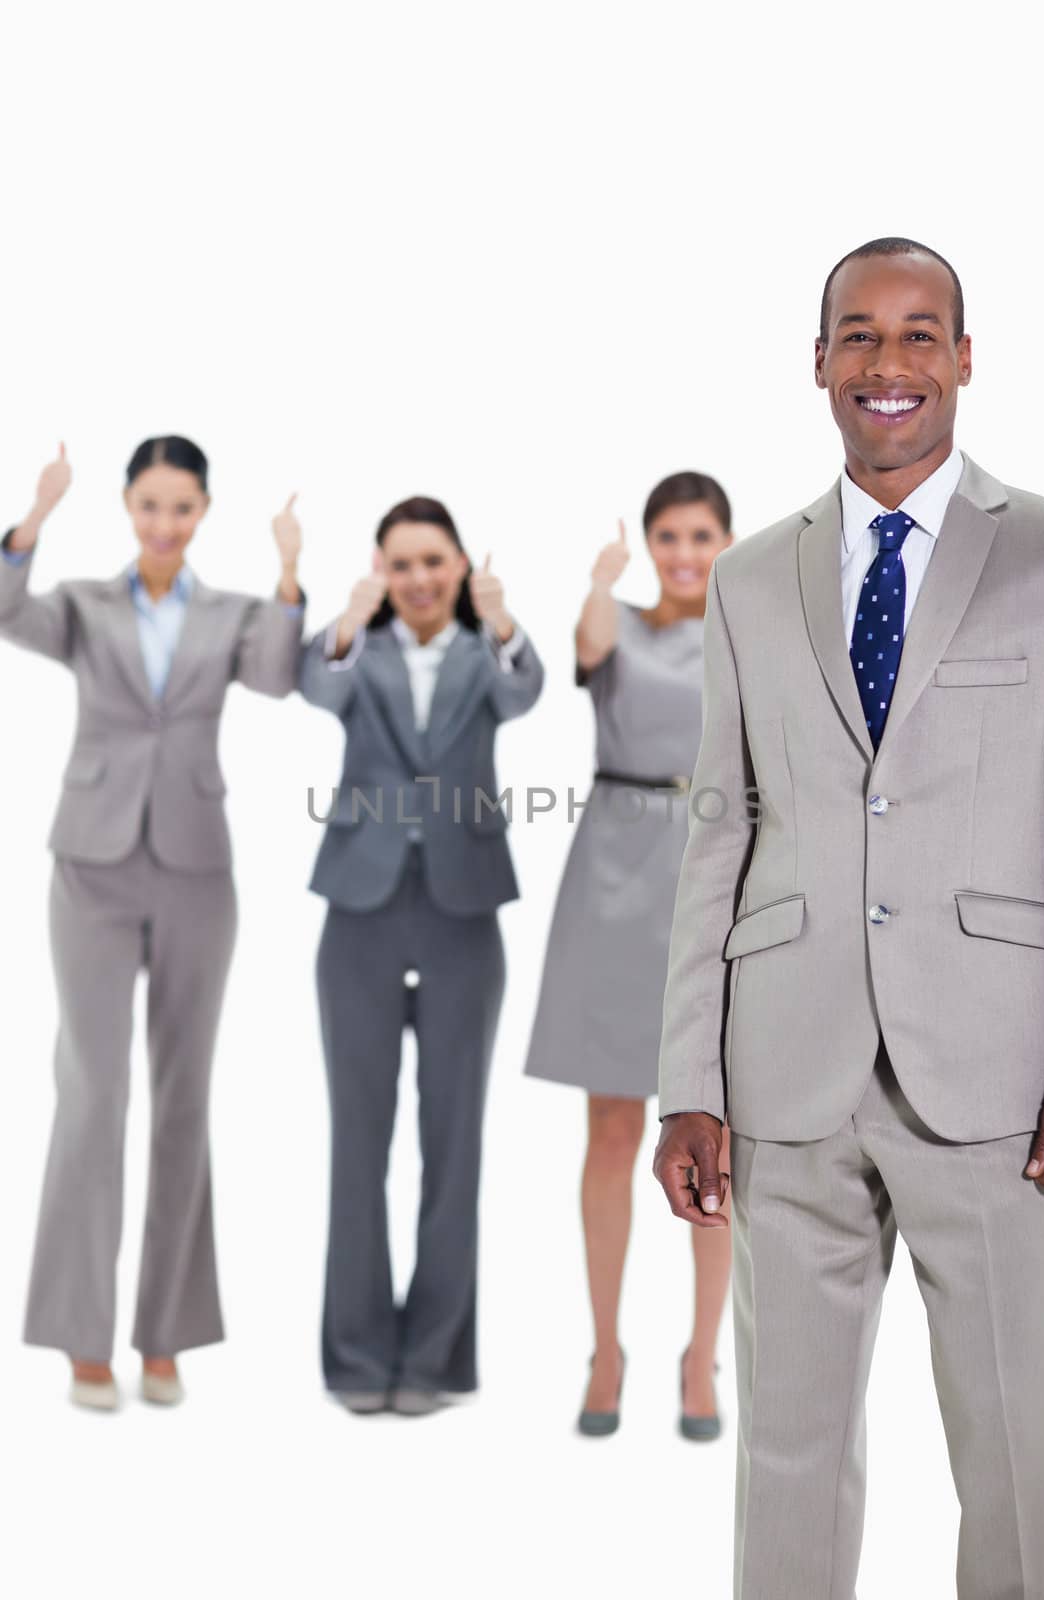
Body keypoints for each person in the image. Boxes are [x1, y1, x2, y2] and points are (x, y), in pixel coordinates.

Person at [654, 238, 1044, 1598]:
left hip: (1001, 1086)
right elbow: (717, 828)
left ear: (960, 358)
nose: (883, 365)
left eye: (914, 334)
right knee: (785, 1452)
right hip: (786, 1076)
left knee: (1021, 1456)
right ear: (818, 362)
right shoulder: (750, 573)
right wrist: (686, 1084)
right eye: (854, 336)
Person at [0, 437, 305, 1411]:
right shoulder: (85, 605)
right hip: (89, 862)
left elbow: (277, 675)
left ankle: (166, 1334)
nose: (164, 523)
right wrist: (34, 518)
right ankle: (81, 1336)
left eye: (181, 507)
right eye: (148, 505)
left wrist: (291, 570)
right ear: (127, 507)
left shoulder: (231, 613)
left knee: (183, 1097)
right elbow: (7, 609)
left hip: (195, 869)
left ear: (204, 511)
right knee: (91, 1093)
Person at [299, 495, 543, 1416]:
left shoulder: (489, 654)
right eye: (400, 565)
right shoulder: (356, 651)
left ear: (458, 567)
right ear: (380, 572)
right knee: (357, 1145)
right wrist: (349, 619)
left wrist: (504, 615)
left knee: (455, 1146)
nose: (418, 579)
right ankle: (357, 1357)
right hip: (358, 910)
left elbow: (527, 691)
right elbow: (314, 687)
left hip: (463, 910)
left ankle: (436, 1357)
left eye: (432, 561)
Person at [524, 474, 734, 1439]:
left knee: (722, 1139)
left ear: (727, 538)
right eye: (668, 536)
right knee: (610, 1132)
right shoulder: (617, 623)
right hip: (613, 874)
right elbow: (589, 649)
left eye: (700, 535)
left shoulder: (753, 623)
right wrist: (601, 581)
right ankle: (605, 1347)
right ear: (649, 543)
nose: (684, 552)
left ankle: (703, 1353)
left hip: (720, 873)